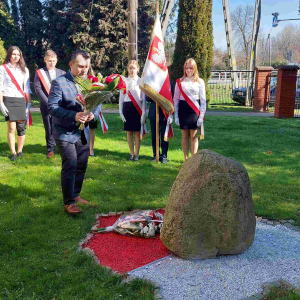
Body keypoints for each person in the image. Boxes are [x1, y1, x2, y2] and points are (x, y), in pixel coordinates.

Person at [48, 50, 102, 215]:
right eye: (80, 66)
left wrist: (94, 113)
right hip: (64, 132)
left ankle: (76, 194)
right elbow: (52, 107)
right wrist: (74, 115)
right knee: (70, 163)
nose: (84, 70)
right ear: (71, 65)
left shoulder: (89, 82)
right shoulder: (59, 82)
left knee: (81, 164)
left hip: (83, 133)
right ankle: (69, 203)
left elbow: (98, 102)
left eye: (86, 66)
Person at [0, 46, 32, 161]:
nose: (16, 56)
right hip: (8, 99)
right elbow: (0, 87)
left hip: (20, 99)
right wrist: (1, 103)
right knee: (11, 128)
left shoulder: (24, 69)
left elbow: (27, 88)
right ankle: (13, 152)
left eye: (18, 55)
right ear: (9, 55)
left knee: (21, 128)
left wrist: (29, 104)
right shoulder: (2, 68)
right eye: (14, 54)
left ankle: (20, 151)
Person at [34, 50, 66, 158]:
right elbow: (38, 89)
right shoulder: (39, 72)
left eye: (53, 61)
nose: (51, 63)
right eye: (49, 61)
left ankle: (62, 147)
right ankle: (50, 149)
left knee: (60, 126)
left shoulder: (62, 73)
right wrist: (48, 102)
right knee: (49, 126)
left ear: (56, 61)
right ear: (45, 60)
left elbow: (65, 89)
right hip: (46, 105)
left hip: (60, 105)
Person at [174, 58, 206, 161]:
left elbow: (203, 100)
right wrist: (175, 115)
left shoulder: (200, 82)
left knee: (194, 136)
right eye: (186, 68)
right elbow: (176, 99)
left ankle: (194, 160)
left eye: (191, 68)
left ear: (195, 68)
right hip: (183, 110)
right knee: (184, 136)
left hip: (194, 111)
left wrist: (201, 116)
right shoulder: (180, 82)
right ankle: (186, 159)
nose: (188, 70)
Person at [119, 60, 146, 161]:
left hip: (137, 109)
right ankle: (131, 153)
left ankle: (137, 154)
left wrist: (143, 113)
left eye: (133, 68)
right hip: (127, 107)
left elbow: (143, 99)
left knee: (137, 133)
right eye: (130, 68)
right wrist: (120, 111)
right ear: (128, 69)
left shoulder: (141, 81)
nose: (131, 70)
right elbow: (121, 98)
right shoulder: (124, 81)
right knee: (129, 132)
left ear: (138, 69)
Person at [146, 81, 174, 163]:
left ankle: (164, 155)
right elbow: (147, 98)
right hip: (154, 112)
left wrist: (171, 114)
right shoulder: (151, 83)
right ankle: (156, 155)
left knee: (164, 136)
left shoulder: (169, 83)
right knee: (154, 136)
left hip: (165, 112)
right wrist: (155, 95)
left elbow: (171, 99)